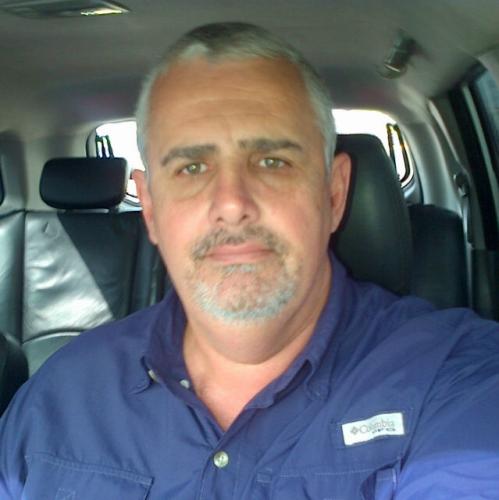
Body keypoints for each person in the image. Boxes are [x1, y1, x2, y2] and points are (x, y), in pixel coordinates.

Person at [1, 22, 499, 499]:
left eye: (272, 162)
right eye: (192, 167)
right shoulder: (57, 400)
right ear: (150, 209)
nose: (232, 203)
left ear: (333, 194)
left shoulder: (454, 381)